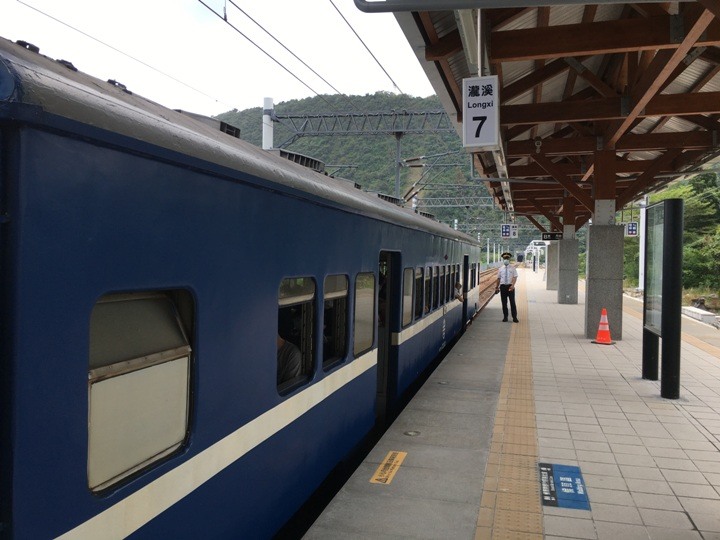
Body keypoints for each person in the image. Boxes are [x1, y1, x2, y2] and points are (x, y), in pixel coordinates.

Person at [495, 252, 519, 323]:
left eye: (507, 258)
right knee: (504, 303)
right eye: (505, 258)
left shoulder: (513, 268)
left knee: (512, 302)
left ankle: (514, 317)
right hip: (502, 287)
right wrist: (497, 287)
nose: (506, 259)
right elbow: (498, 278)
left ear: (509, 259)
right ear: (503, 259)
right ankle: (505, 317)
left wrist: (513, 285)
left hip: (510, 286)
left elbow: (515, 277)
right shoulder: (500, 269)